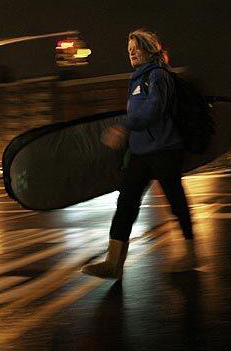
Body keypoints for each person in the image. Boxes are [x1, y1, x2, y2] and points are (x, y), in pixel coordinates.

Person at [81, 29, 198, 280]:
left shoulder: (158, 75)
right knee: (126, 204)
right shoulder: (136, 79)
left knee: (175, 200)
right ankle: (113, 263)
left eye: (136, 47)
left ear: (149, 49)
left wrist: (124, 127)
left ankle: (191, 252)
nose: (131, 52)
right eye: (129, 49)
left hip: (165, 150)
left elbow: (154, 109)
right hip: (140, 153)